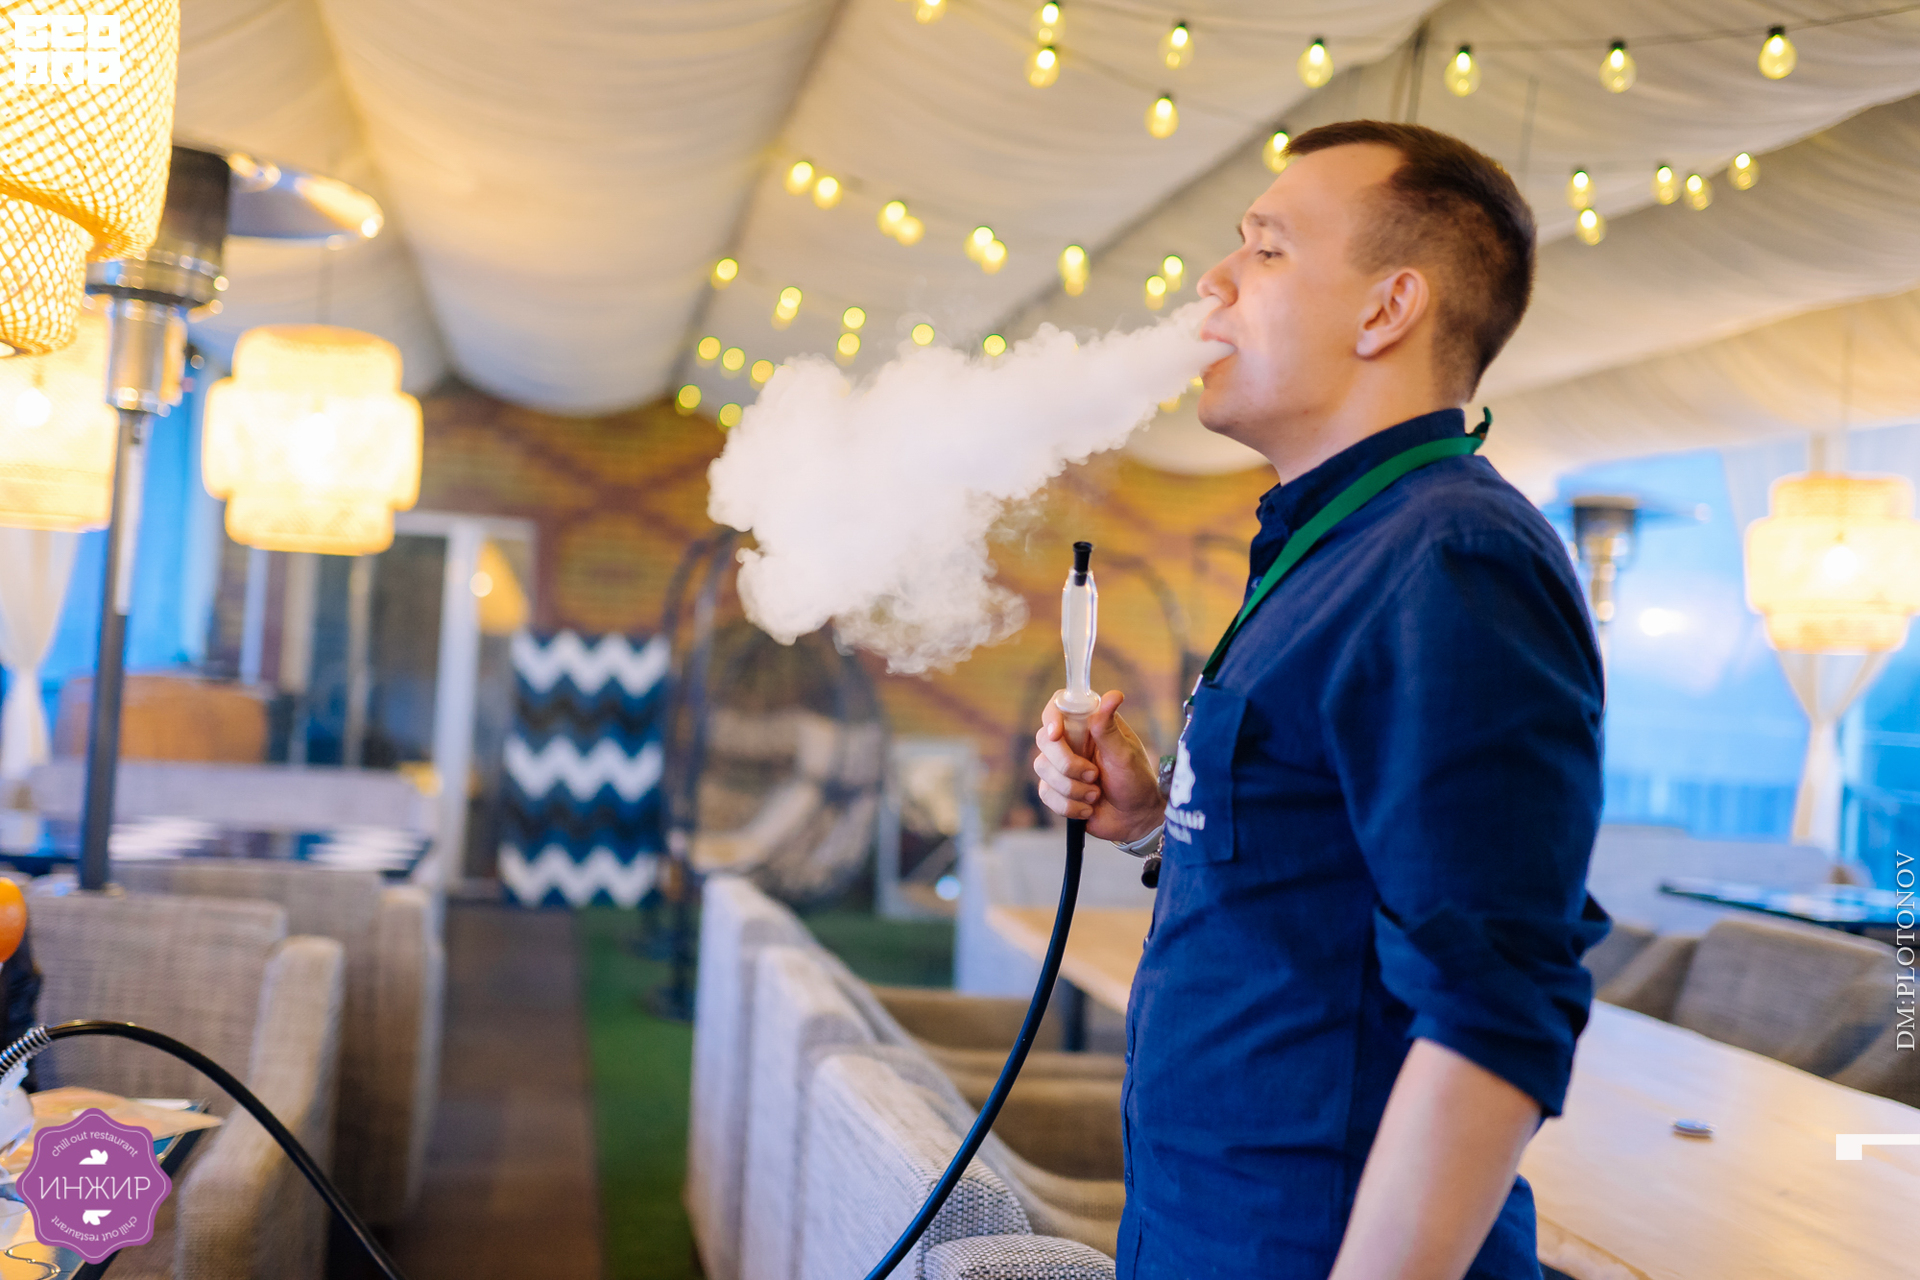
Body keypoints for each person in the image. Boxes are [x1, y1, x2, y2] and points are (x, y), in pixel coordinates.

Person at [1033, 120, 1608, 1279]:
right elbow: (1321, 871)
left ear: (1387, 309)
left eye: (1267, 248)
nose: (1215, 279)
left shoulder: (1453, 558)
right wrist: (1153, 817)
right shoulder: (1334, 544)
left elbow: (1495, 1009)